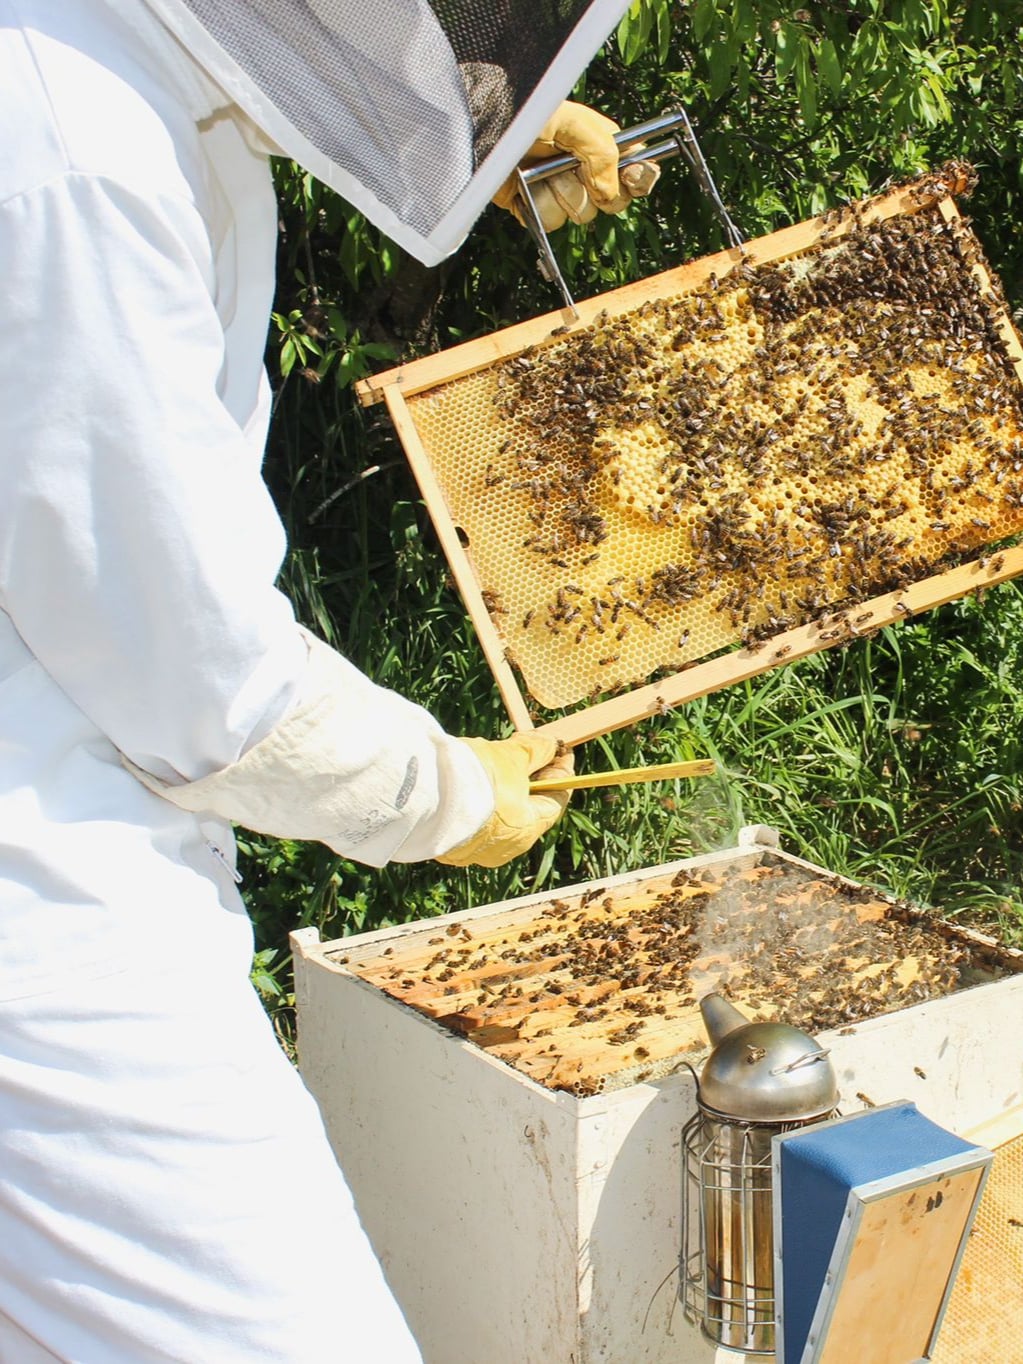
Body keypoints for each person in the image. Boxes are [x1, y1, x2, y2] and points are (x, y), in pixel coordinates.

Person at [0, 2, 657, 1359]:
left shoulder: (95, 65)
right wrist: (440, 792)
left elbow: (297, 66)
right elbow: (205, 686)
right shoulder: (75, 158)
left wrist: (499, 122)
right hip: (49, 911)